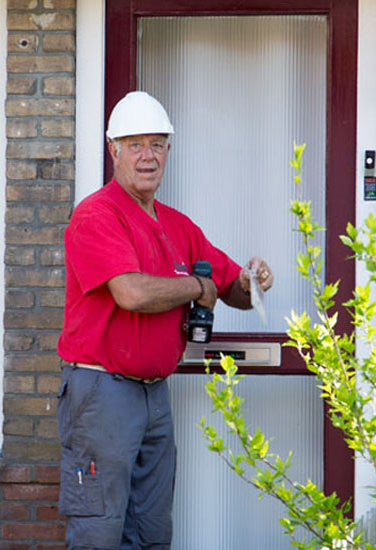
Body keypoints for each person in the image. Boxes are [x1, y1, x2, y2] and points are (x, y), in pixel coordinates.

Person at [56, 91, 274, 550]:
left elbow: (230, 287)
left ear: (169, 151)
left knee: (152, 531)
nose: (147, 156)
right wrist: (199, 288)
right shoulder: (96, 216)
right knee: (98, 531)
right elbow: (131, 293)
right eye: (135, 144)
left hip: (155, 394)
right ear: (113, 149)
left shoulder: (178, 226)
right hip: (102, 393)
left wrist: (253, 281)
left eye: (157, 144)